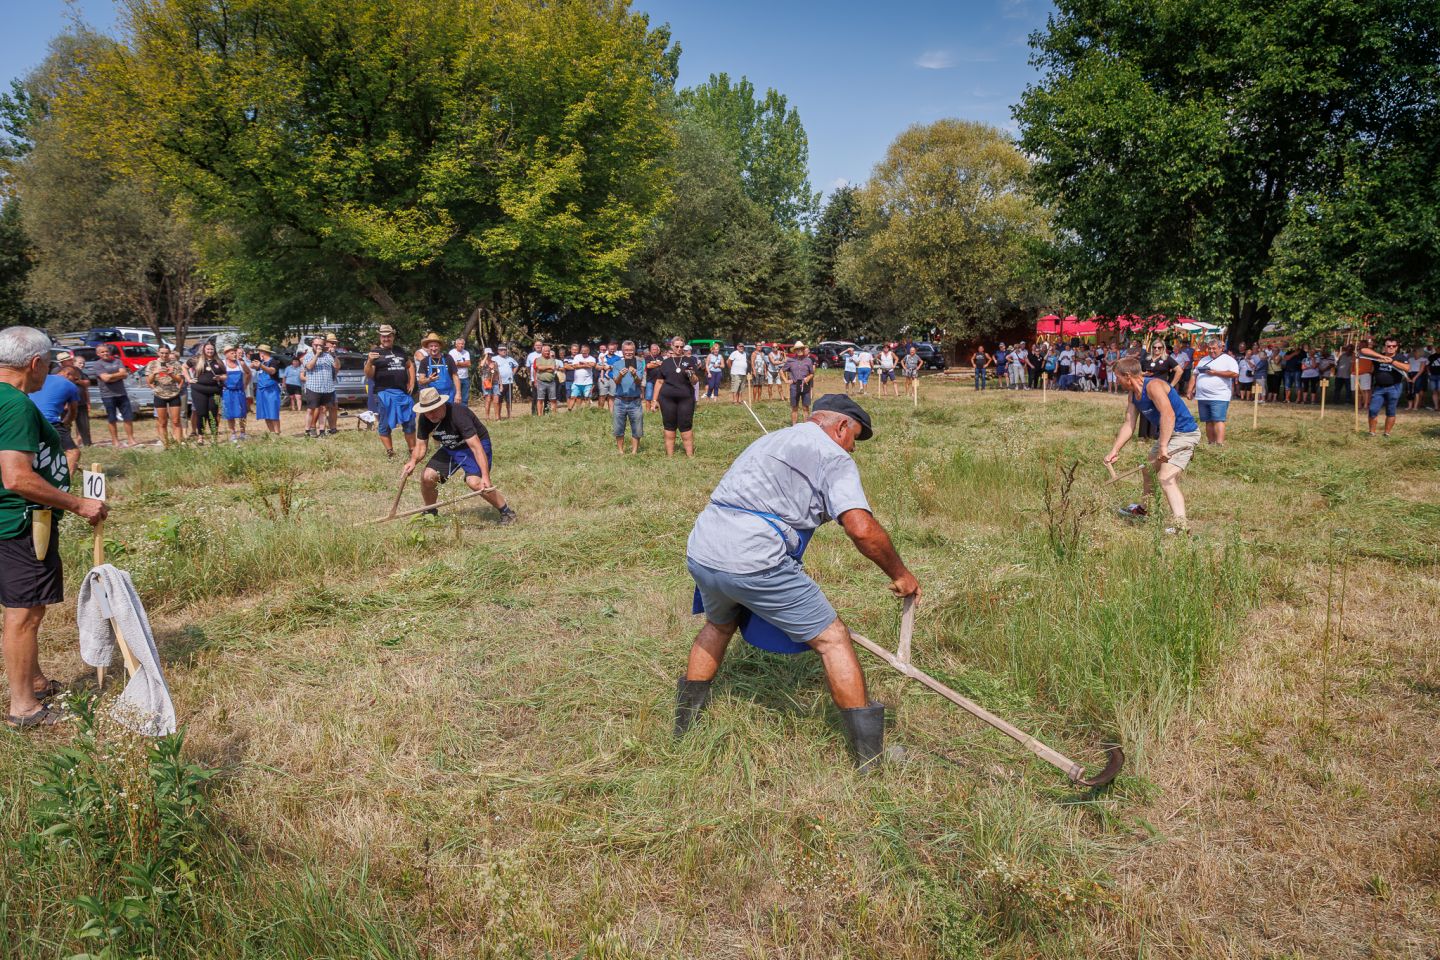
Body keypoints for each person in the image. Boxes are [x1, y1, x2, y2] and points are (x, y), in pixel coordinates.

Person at [676, 393, 921, 771]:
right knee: (833, 639)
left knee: (719, 625)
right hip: (754, 560)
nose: (853, 448)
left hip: (703, 549)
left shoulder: (770, 439)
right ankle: (871, 760)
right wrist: (901, 574)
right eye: (854, 438)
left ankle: (684, 730)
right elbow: (861, 528)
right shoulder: (834, 456)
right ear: (841, 427)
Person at [0, 326, 109, 729]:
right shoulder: (15, 404)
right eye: (47, 364)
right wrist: (79, 503)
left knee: (25, 608)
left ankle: (35, 682)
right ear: (35, 363)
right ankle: (24, 708)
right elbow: (16, 477)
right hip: (21, 523)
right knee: (24, 613)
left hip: (11, 522)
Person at [1107, 355, 1202, 532]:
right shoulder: (1133, 395)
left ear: (1128, 375)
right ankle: (1144, 510)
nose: (1117, 381)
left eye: (1118, 377)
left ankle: (1181, 528)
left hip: (1184, 434)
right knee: (1148, 470)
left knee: (1166, 477)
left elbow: (1168, 414)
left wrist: (1163, 446)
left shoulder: (1154, 386)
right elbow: (1129, 423)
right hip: (1168, 434)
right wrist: (1115, 450)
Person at [404, 387, 516, 525]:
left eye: (433, 411)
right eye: (426, 412)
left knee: (475, 482)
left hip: (473, 446)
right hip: (450, 447)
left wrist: (485, 476)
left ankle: (507, 512)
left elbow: (476, 447)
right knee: (427, 477)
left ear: (441, 405)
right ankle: (430, 512)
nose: (430, 415)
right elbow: (421, 446)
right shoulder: (425, 418)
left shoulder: (458, 414)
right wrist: (413, 461)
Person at [365, 324, 416, 458]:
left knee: (409, 422)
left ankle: (413, 451)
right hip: (384, 393)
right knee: (385, 424)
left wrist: (412, 382)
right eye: (383, 336)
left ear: (393, 336)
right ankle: (390, 453)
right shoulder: (375, 352)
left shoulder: (400, 350)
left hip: (403, 393)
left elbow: (410, 365)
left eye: (389, 336)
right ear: (380, 337)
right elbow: (369, 374)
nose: (386, 338)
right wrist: (369, 362)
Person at [27, 362, 82, 475]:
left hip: (26, 419)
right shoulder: (71, 386)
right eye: (76, 379)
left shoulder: (39, 378)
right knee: (73, 452)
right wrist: (66, 422)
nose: (76, 382)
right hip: (49, 422)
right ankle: (65, 483)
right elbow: (73, 411)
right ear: (68, 374)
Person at [1187, 338, 1238, 446]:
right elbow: (1194, 374)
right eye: (1209, 348)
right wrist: (1190, 390)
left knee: (1218, 420)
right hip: (1202, 397)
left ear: (1221, 348)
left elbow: (1234, 373)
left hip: (1219, 396)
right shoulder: (1203, 360)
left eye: (1214, 348)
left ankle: (1219, 444)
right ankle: (1211, 443)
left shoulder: (1228, 360)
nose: (1211, 351)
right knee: (1208, 421)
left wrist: (1215, 373)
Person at [655, 336, 699, 458]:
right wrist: (654, 400)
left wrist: (691, 375)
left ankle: (690, 456)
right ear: (672, 346)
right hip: (667, 399)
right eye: (677, 346)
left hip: (686, 398)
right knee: (669, 425)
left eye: (681, 346)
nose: (679, 349)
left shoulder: (690, 361)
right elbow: (659, 381)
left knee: (686, 425)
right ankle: (670, 457)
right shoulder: (665, 362)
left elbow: (695, 381)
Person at [1360, 337, 1410, 438]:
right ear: (1385, 347)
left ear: (1396, 347)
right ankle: (1372, 433)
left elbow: (1407, 368)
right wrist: (1381, 357)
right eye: (1388, 346)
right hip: (1379, 388)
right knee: (1373, 410)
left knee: (1391, 411)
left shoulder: (1401, 357)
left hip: (1394, 387)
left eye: (1393, 346)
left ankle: (1387, 433)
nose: (1391, 348)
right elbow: (1363, 350)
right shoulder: (1378, 356)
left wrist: (1392, 361)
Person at [93, 345, 136, 448]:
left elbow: (124, 374)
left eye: (106, 351)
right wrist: (118, 375)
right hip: (107, 395)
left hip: (122, 393)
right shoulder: (98, 364)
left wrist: (111, 376)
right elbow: (105, 378)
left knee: (128, 417)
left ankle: (131, 439)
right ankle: (115, 440)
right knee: (112, 418)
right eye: (102, 352)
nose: (105, 353)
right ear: (98, 354)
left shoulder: (117, 361)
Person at [144, 345, 186, 447]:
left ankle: (178, 444)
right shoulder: (152, 364)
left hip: (173, 394)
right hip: (159, 394)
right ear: (158, 353)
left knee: (176, 421)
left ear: (169, 353)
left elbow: (180, 380)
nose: (164, 355)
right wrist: (155, 373)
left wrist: (170, 374)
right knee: (162, 422)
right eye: (162, 353)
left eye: (166, 353)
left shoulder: (175, 364)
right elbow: (149, 381)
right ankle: (166, 444)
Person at [303, 335, 341, 437]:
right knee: (311, 409)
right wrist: (317, 355)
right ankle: (308, 430)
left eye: (320, 345)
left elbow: (337, 366)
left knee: (323, 410)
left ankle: (322, 431)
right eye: (316, 345)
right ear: (312, 345)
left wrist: (334, 355)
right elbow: (309, 367)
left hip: (327, 388)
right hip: (313, 387)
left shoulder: (328, 356)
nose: (318, 347)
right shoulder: (308, 356)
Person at [186, 342, 225, 442]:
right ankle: (200, 436)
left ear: (214, 350)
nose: (210, 351)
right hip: (199, 390)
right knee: (201, 413)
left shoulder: (218, 361)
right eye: (208, 349)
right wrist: (189, 379)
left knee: (213, 413)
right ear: (204, 350)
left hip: (215, 391)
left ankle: (214, 436)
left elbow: (225, 375)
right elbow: (184, 367)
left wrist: (220, 377)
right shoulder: (196, 359)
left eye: (212, 349)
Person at [612, 340, 645, 454]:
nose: (628, 352)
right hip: (620, 400)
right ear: (622, 351)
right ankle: (621, 451)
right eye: (626, 350)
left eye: (631, 350)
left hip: (635, 401)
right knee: (618, 427)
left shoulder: (639, 364)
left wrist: (634, 374)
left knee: (637, 427)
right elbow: (616, 382)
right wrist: (621, 375)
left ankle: (634, 452)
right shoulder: (617, 364)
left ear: (634, 351)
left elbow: (639, 382)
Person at [56, 352, 92, 448]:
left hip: (80, 401)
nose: (71, 361)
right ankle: (66, 444)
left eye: (71, 359)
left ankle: (87, 444)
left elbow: (87, 383)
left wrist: (78, 381)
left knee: (84, 425)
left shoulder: (76, 370)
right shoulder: (56, 371)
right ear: (62, 362)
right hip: (64, 403)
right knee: (65, 424)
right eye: (69, 360)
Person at [416, 332, 459, 405]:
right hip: (432, 397)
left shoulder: (448, 358)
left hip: (449, 395)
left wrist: (458, 393)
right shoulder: (424, 361)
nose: (433, 348)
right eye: (431, 346)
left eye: (436, 346)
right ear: (428, 347)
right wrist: (429, 379)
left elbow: (455, 376)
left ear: (440, 346)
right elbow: (420, 381)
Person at [219, 345, 251, 442]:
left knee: (242, 413)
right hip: (227, 392)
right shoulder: (222, 364)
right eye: (232, 353)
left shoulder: (240, 363)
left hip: (239, 391)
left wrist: (245, 384)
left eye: (234, 352)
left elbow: (248, 373)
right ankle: (233, 434)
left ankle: (243, 433)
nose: (234, 354)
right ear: (226, 354)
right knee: (230, 414)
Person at [250, 345, 283, 436]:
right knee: (265, 413)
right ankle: (272, 433)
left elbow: (272, 371)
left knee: (273, 412)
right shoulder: (262, 362)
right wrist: (255, 364)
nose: (258, 353)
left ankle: (277, 433)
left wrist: (261, 365)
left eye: (259, 351)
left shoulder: (273, 361)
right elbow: (252, 366)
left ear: (263, 352)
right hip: (261, 390)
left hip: (271, 390)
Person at [785, 341, 817, 426]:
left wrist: (808, 378)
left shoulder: (808, 360)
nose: (799, 350)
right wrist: (786, 380)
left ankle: (805, 426)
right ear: (795, 350)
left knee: (805, 407)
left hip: (805, 385)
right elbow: (781, 370)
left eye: (801, 349)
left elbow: (812, 373)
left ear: (803, 349)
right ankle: (794, 426)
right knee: (794, 407)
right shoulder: (790, 360)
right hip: (794, 386)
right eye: (797, 349)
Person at [532, 344, 563, 414]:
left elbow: (552, 370)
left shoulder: (552, 360)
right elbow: (538, 368)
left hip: (551, 382)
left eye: (548, 351)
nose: (547, 352)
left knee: (553, 399)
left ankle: (554, 414)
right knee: (540, 399)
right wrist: (549, 367)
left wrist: (543, 369)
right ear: (542, 351)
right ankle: (540, 415)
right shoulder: (537, 359)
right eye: (546, 351)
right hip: (541, 382)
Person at [490, 344, 519, 420]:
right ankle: (498, 416)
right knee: (499, 400)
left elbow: (516, 365)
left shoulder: (510, 358)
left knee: (509, 400)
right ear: (498, 351)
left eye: (505, 350)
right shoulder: (494, 358)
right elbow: (490, 368)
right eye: (501, 350)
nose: (503, 351)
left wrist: (512, 373)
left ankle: (509, 415)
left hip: (509, 382)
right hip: (499, 383)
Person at [568, 343, 597, 410]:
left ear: (588, 351)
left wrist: (582, 364)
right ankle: (569, 411)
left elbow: (592, 365)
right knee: (573, 397)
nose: (583, 352)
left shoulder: (592, 358)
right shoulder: (577, 357)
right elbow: (574, 366)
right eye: (582, 351)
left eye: (585, 351)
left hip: (588, 382)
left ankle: (586, 411)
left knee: (587, 398)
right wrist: (586, 364)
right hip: (576, 382)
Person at [449, 337, 473, 405]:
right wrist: (464, 364)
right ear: (456, 344)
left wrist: (458, 363)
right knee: (455, 398)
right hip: (455, 378)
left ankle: (464, 411)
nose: (461, 345)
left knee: (465, 398)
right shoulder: (452, 352)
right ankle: (455, 411)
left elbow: (469, 364)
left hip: (465, 378)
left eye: (462, 344)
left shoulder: (466, 352)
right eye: (459, 344)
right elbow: (452, 365)